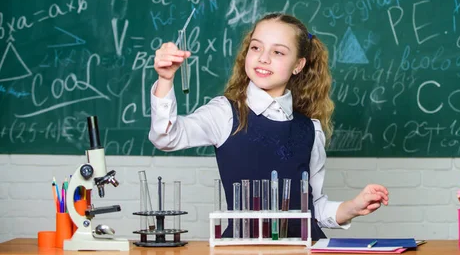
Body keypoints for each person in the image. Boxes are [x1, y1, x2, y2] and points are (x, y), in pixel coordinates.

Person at [149, 13, 389, 239]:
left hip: (304, 249)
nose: (263, 57)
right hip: (242, 248)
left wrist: (353, 207)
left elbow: (313, 209)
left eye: (278, 52)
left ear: (299, 64)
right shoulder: (225, 113)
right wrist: (165, 78)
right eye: (256, 47)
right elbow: (166, 137)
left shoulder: (310, 129)